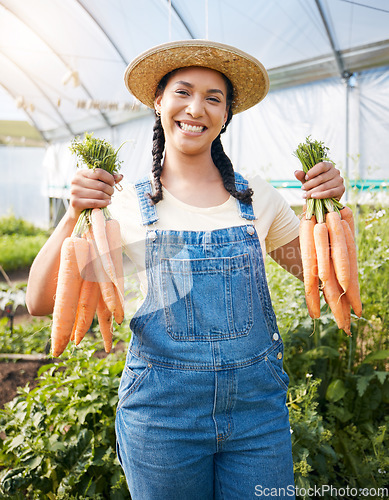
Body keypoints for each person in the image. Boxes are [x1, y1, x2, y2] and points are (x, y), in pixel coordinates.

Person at [26, 40, 345, 499]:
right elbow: (39, 302)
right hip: (162, 422)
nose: (196, 108)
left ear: (226, 115)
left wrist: (327, 207)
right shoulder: (119, 207)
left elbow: (325, 281)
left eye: (214, 97)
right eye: (183, 91)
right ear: (158, 101)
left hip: (258, 419)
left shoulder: (257, 198)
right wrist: (73, 213)